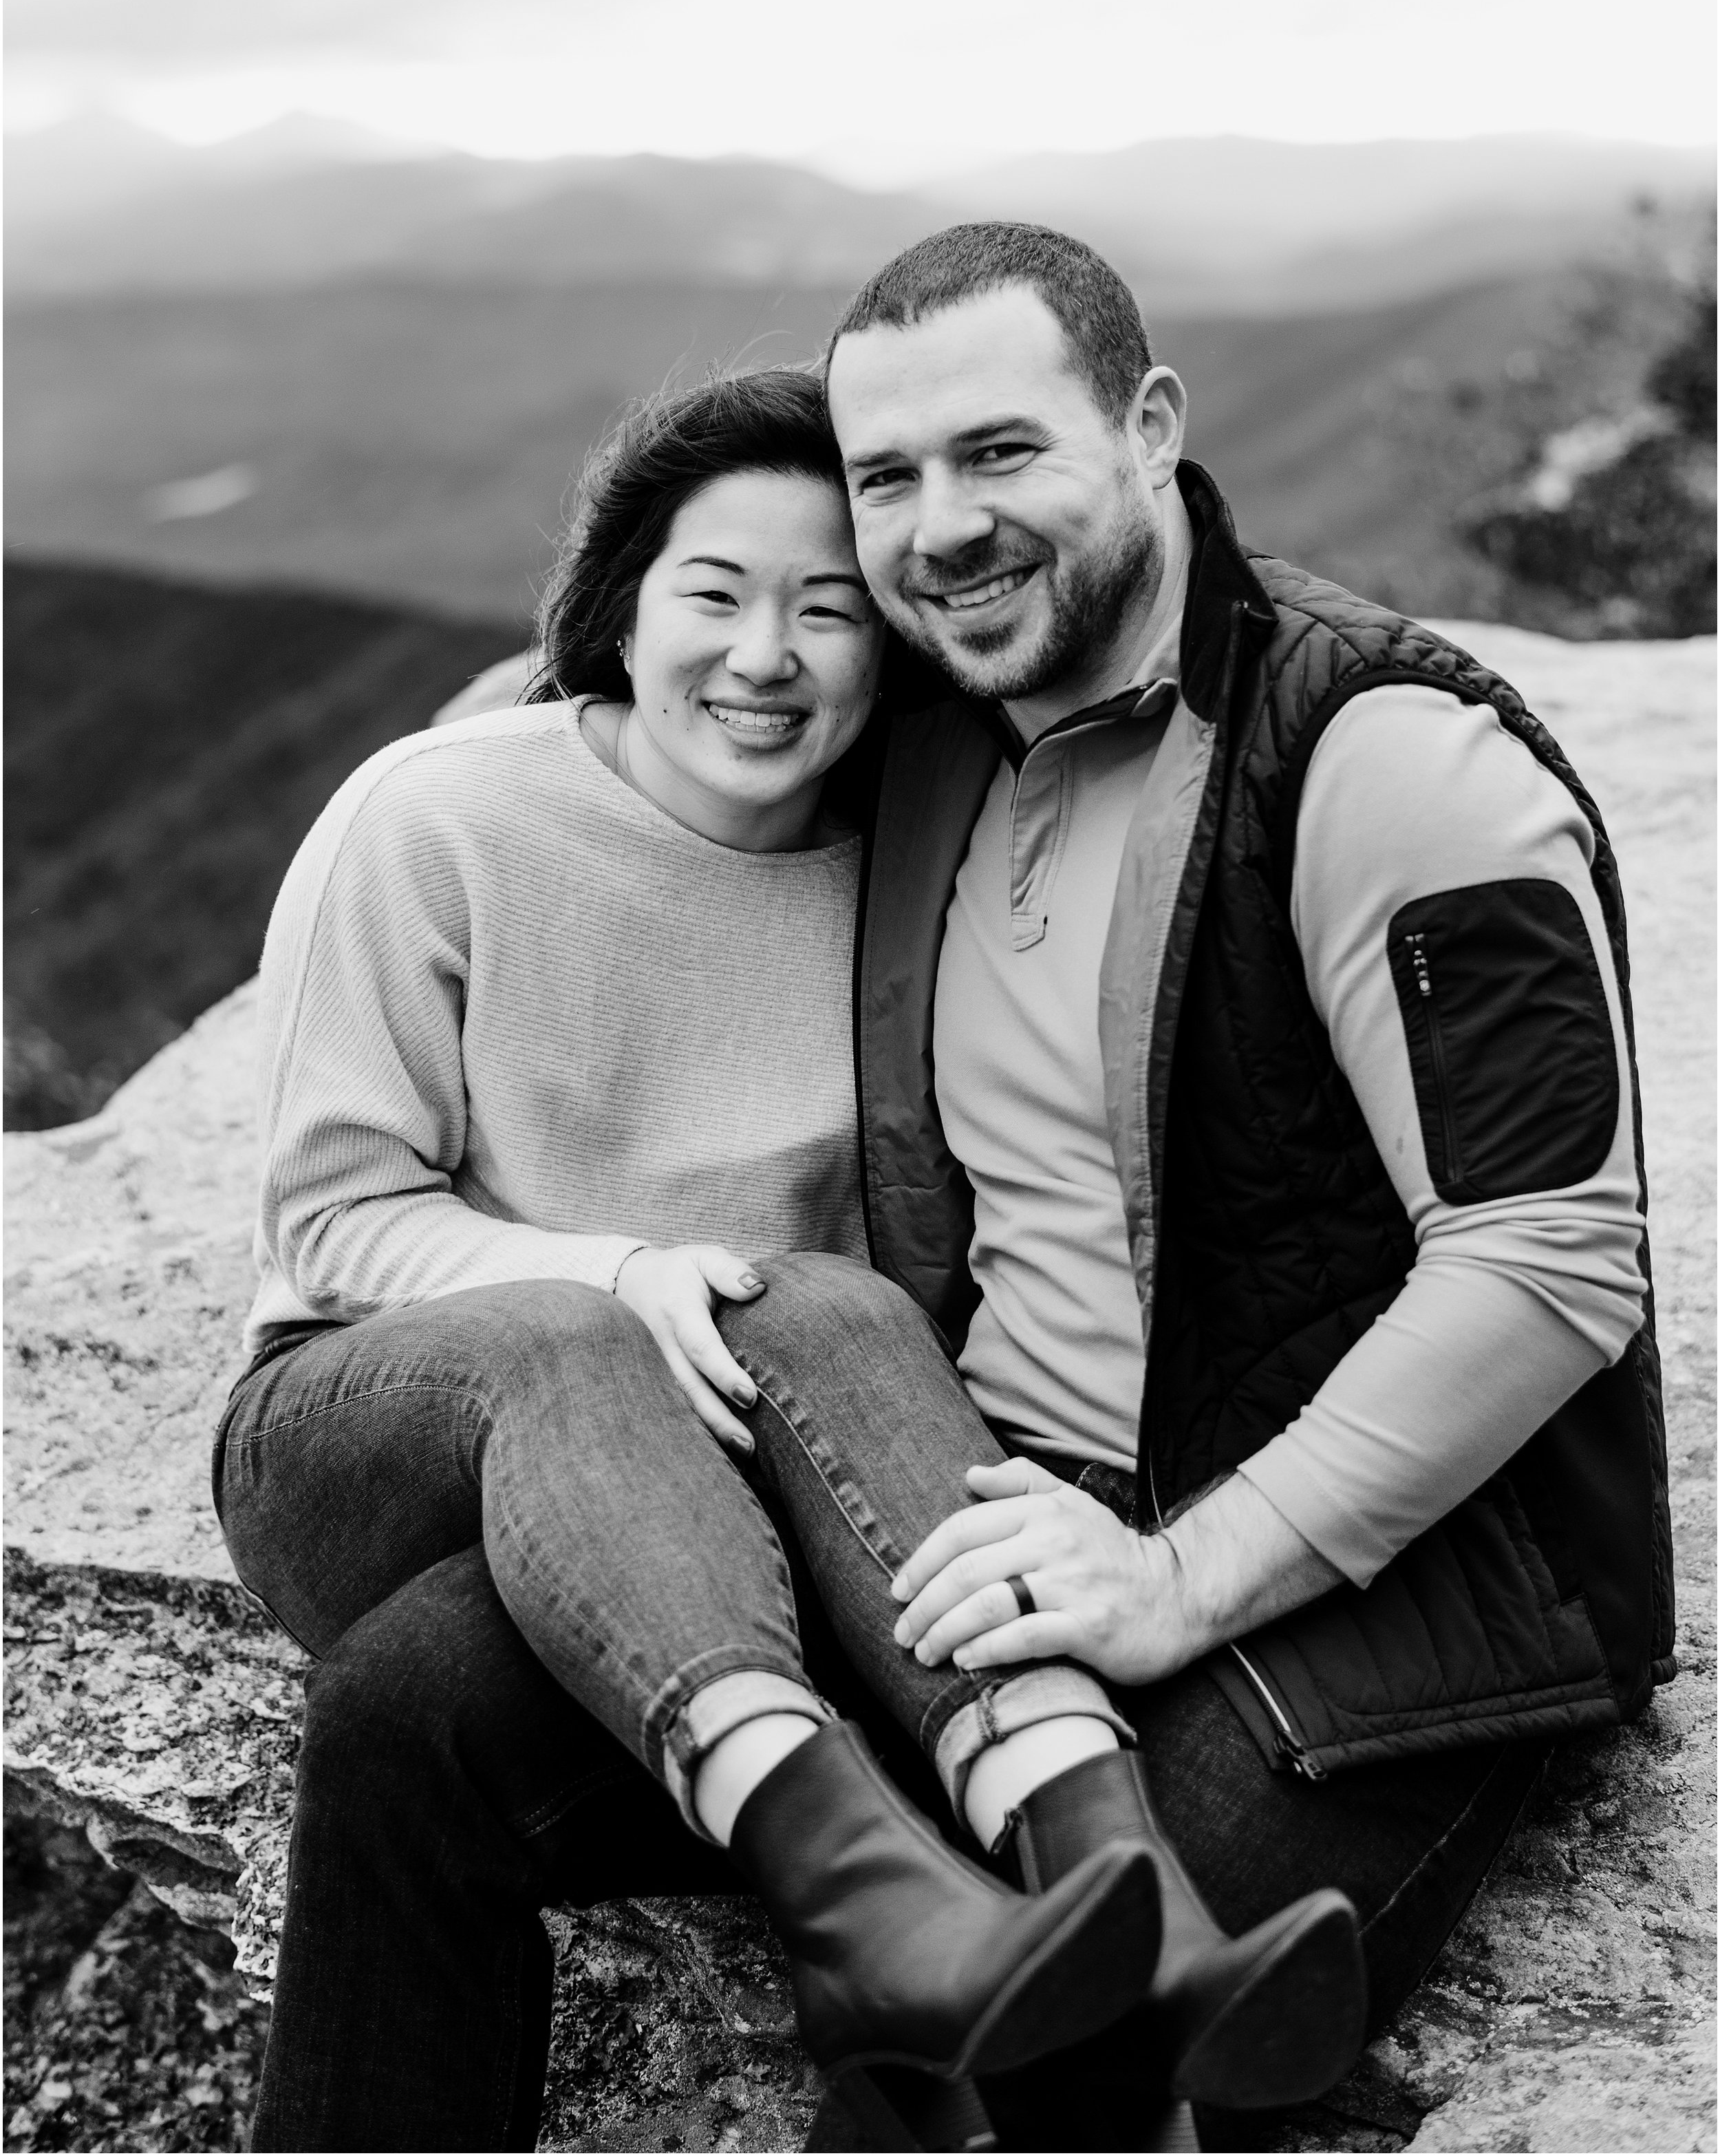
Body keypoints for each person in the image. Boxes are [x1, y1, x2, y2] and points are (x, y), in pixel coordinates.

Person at [216, 364, 1354, 2155]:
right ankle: (865, 1896)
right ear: (619, 603)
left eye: (827, 605)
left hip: (697, 1483)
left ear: (889, 636)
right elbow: (333, 1220)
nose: (767, 653)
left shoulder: (906, 876)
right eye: (714, 593)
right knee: (591, 1339)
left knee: (435, 1684)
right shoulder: (433, 817)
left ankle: (1123, 1917)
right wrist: (608, 1272)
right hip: (383, 1426)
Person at [818, 221, 1671, 2144]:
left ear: (1147, 427)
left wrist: (1178, 1574)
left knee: (1037, 2046)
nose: (938, 527)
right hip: (1004, 1500)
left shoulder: (1383, 750)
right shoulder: (951, 723)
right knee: (427, 1705)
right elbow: (670, 669)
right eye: (886, 478)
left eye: (998, 452)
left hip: (1374, 1576)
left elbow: (1549, 1256)